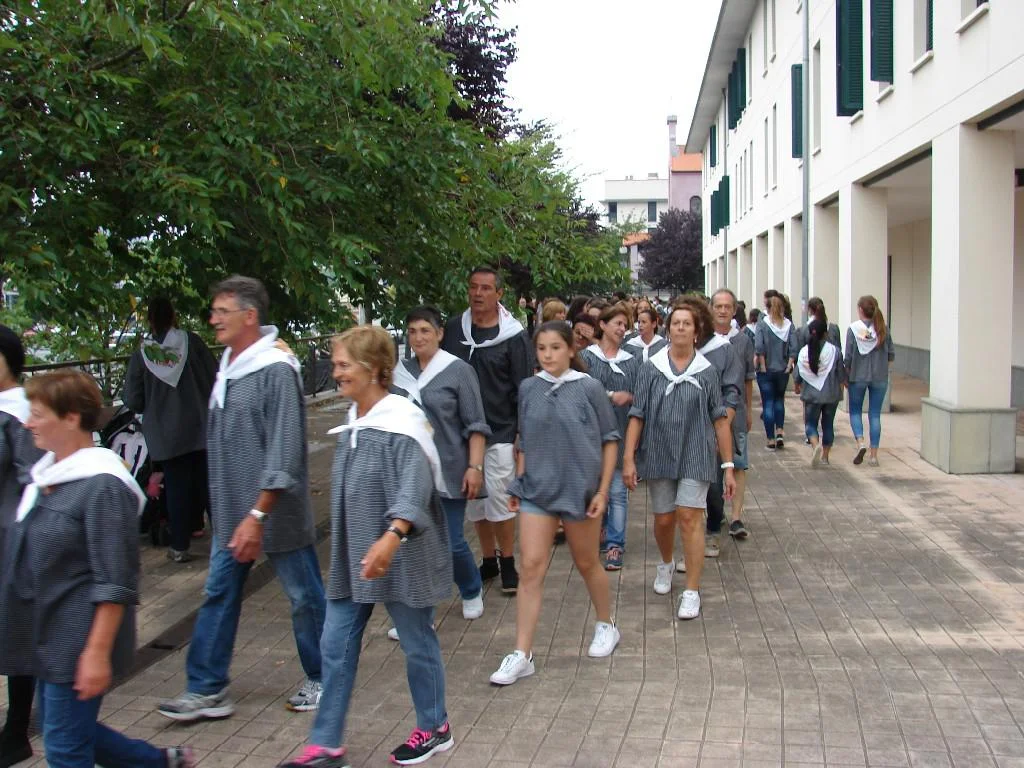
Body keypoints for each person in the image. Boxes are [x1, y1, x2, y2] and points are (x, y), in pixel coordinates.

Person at [0, 371, 194, 768]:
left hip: (75, 638)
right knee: (65, 728)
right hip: (47, 634)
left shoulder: (102, 485)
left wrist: (96, 653)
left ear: (71, 417)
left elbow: (116, 581)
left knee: (64, 746)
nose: (28, 422)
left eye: (38, 414)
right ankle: (159, 762)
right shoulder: (48, 476)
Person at [282, 327, 454, 767]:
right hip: (356, 558)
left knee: (417, 643)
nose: (336, 372)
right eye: (335, 364)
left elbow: (414, 488)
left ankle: (436, 727)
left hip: (403, 555)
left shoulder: (402, 421)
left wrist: (391, 537)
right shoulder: (355, 421)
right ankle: (326, 744)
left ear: (375, 369)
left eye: (344, 365)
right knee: (334, 644)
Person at [159, 276, 326, 722]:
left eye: (221, 311)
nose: (212, 319)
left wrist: (257, 514)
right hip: (233, 514)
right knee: (219, 594)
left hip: (273, 513)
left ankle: (326, 675)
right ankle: (207, 688)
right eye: (213, 311)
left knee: (304, 597)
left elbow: (285, 452)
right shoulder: (231, 365)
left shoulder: (275, 370)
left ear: (249, 316)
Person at [489, 322, 621, 686]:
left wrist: (602, 491)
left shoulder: (589, 387)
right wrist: (518, 482)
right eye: (542, 348)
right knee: (531, 567)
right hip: (537, 491)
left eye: (555, 347)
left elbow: (610, 439)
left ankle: (606, 624)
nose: (548, 355)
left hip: (580, 491)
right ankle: (522, 653)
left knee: (587, 562)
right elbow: (524, 439)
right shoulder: (529, 388)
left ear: (570, 349)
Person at [623, 305, 736, 620]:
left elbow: (720, 420)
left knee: (689, 517)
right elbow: (637, 414)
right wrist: (628, 458)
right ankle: (665, 563)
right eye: (676, 323)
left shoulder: (707, 371)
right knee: (664, 520)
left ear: (696, 331)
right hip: (659, 451)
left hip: (696, 453)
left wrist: (728, 467)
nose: (681, 328)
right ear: (668, 329)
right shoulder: (651, 369)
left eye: (687, 323)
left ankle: (692, 590)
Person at [393, 306, 490, 626]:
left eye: (425, 330)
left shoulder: (458, 371)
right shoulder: (400, 373)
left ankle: (471, 587)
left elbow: (476, 424)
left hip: (449, 468)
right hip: (409, 471)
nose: (418, 337)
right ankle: (422, 612)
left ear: (439, 333)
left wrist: (475, 467)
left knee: (449, 541)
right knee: (413, 543)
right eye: (412, 331)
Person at [441, 267, 533, 595]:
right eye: (473, 287)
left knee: (500, 497)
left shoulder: (513, 336)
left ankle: (508, 561)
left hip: (502, 430)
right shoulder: (455, 329)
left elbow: (525, 387)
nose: (478, 293)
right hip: (461, 432)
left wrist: (523, 432)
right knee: (475, 500)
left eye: (485, 288)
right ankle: (489, 559)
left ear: (499, 294)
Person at [124, 297, 217, 563]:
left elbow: (133, 399)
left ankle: (179, 546)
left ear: (150, 320)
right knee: (208, 485)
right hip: (201, 426)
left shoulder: (143, 354)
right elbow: (215, 376)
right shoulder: (192, 343)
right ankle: (224, 542)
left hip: (166, 434)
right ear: (174, 315)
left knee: (176, 488)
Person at [0, 327, 42, 768]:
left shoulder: (19, 413)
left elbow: (36, 479)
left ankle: (16, 730)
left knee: (16, 630)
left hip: (12, 538)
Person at [674, 296, 742, 565]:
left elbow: (732, 394)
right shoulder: (674, 351)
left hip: (712, 429)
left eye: (691, 321)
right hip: (680, 432)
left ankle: (713, 529)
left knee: (713, 486)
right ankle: (689, 541)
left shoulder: (722, 350)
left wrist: (719, 429)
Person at [580, 303, 640, 570]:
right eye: (617, 323)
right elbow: (579, 392)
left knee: (617, 491)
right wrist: (610, 396)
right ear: (602, 325)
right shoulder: (586, 358)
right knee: (594, 488)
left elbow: (640, 396)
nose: (622, 329)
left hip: (620, 433)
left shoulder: (632, 361)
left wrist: (631, 398)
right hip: (590, 435)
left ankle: (616, 544)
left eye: (625, 325)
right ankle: (600, 530)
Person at [709, 290, 755, 542]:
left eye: (727, 306)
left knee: (738, 462)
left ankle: (736, 517)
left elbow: (748, 378)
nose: (723, 310)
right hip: (710, 412)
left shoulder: (743, 341)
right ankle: (714, 513)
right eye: (718, 306)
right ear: (711, 308)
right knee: (712, 465)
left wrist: (748, 410)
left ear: (734, 310)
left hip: (736, 411)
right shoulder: (704, 339)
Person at [845, 295, 894, 467]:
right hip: (880, 377)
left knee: (855, 411)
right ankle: (874, 456)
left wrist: (846, 375)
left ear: (860, 310)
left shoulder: (853, 330)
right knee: (874, 415)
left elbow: (848, 357)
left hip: (858, 376)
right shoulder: (883, 329)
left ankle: (860, 442)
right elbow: (891, 355)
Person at [796, 319, 846, 467]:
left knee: (811, 423)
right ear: (826, 333)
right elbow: (841, 374)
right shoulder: (835, 351)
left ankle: (815, 444)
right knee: (828, 424)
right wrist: (842, 387)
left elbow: (798, 374)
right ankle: (825, 457)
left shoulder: (804, 352)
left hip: (811, 395)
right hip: (831, 394)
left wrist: (798, 385)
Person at [754, 295, 793, 450]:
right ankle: (780, 432)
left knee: (768, 403)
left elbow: (759, 347)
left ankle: (770, 439)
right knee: (779, 400)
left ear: (768, 308)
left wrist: (763, 365)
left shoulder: (762, 324)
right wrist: (789, 366)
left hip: (766, 370)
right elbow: (794, 347)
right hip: (783, 369)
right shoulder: (788, 325)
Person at [789, 297, 842, 376]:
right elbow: (839, 351)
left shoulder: (802, 331)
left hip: (809, 372)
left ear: (809, 310)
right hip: (831, 372)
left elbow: (799, 355)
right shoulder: (834, 328)